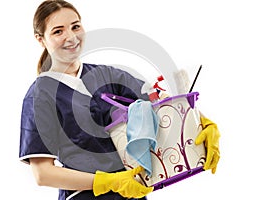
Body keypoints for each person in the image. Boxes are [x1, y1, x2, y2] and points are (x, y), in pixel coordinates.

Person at [19, 0, 220, 200]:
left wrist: (201, 122)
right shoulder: (40, 95)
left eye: (75, 26)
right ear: (40, 39)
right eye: (58, 31)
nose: (71, 37)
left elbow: (160, 101)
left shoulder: (106, 75)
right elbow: (42, 174)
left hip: (133, 193)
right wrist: (108, 182)